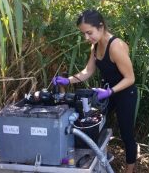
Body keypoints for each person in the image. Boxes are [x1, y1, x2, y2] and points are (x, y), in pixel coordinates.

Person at [52, 9, 138, 173]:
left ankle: (130, 169)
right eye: (84, 34)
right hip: (106, 93)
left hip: (125, 93)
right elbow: (88, 71)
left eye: (89, 32)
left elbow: (130, 78)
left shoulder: (116, 46)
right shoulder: (95, 46)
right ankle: (104, 155)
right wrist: (68, 80)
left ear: (101, 26)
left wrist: (110, 91)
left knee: (127, 134)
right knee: (96, 124)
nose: (86, 37)